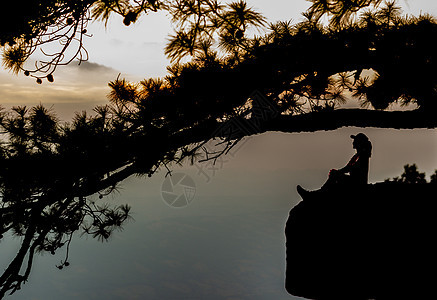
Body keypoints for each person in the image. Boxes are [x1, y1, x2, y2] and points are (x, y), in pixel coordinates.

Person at [297, 133, 372, 197]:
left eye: (355, 141)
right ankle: (317, 193)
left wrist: (337, 173)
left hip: (357, 185)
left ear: (359, 143)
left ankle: (315, 194)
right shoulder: (359, 156)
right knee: (334, 177)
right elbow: (348, 168)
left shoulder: (363, 156)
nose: (353, 142)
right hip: (355, 182)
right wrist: (338, 172)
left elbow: (349, 168)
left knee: (334, 176)